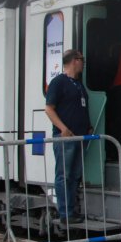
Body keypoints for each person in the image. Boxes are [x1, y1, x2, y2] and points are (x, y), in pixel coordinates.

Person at [44, 49, 90, 222]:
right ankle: (66, 213)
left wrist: (89, 125)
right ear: (73, 61)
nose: (83, 63)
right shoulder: (58, 82)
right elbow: (49, 108)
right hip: (66, 138)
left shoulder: (78, 84)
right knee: (64, 175)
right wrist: (62, 128)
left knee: (75, 175)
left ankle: (72, 210)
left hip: (80, 137)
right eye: (81, 59)